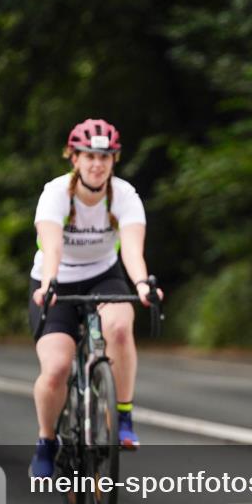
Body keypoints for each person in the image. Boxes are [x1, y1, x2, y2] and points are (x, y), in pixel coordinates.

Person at [28, 118, 161, 478]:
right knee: (55, 367)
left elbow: (133, 250)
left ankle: (123, 414)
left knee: (118, 327)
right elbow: (51, 245)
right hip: (56, 281)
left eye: (105, 156)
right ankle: (46, 440)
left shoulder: (124, 195)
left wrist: (143, 285)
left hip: (104, 276)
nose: (97, 164)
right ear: (74, 158)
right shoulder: (56, 193)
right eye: (89, 156)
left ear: (114, 160)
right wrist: (49, 284)